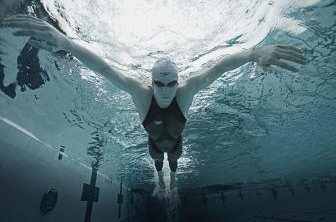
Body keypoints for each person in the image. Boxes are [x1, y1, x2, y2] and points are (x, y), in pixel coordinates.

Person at [1, 14, 306, 189]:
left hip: (175, 144)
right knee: (158, 166)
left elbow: (217, 69)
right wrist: (67, 43)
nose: (165, 89)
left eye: (171, 83)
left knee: (172, 165)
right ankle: (160, 181)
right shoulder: (141, 94)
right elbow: (105, 69)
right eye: (159, 83)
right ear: (150, 82)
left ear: (177, 82)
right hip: (152, 145)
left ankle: (170, 182)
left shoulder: (185, 92)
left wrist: (252, 54)